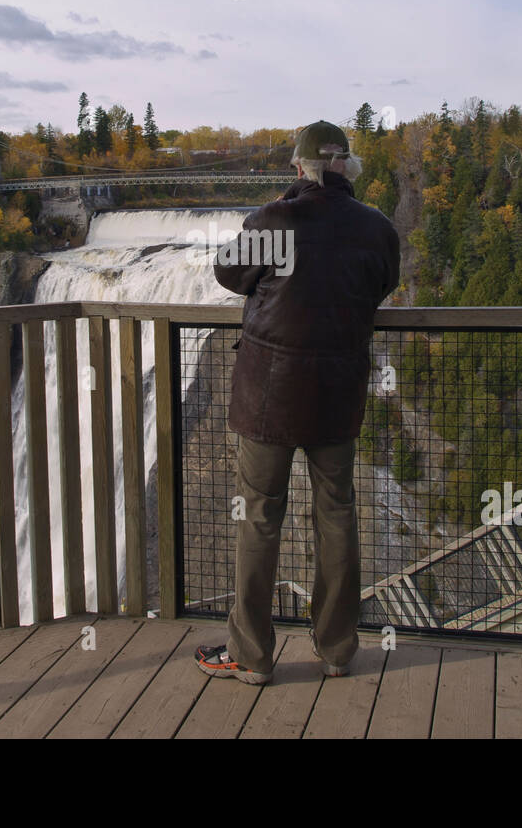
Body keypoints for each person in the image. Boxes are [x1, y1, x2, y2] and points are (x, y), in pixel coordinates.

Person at [195, 121, 401, 684]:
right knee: (336, 513)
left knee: (259, 518)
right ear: (347, 167)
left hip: (270, 396)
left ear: (299, 167)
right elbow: (382, 284)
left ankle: (252, 657)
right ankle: (336, 650)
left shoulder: (274, 221)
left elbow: (228, 273)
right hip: (337, 392)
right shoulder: (376, 228)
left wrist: (283, 206)